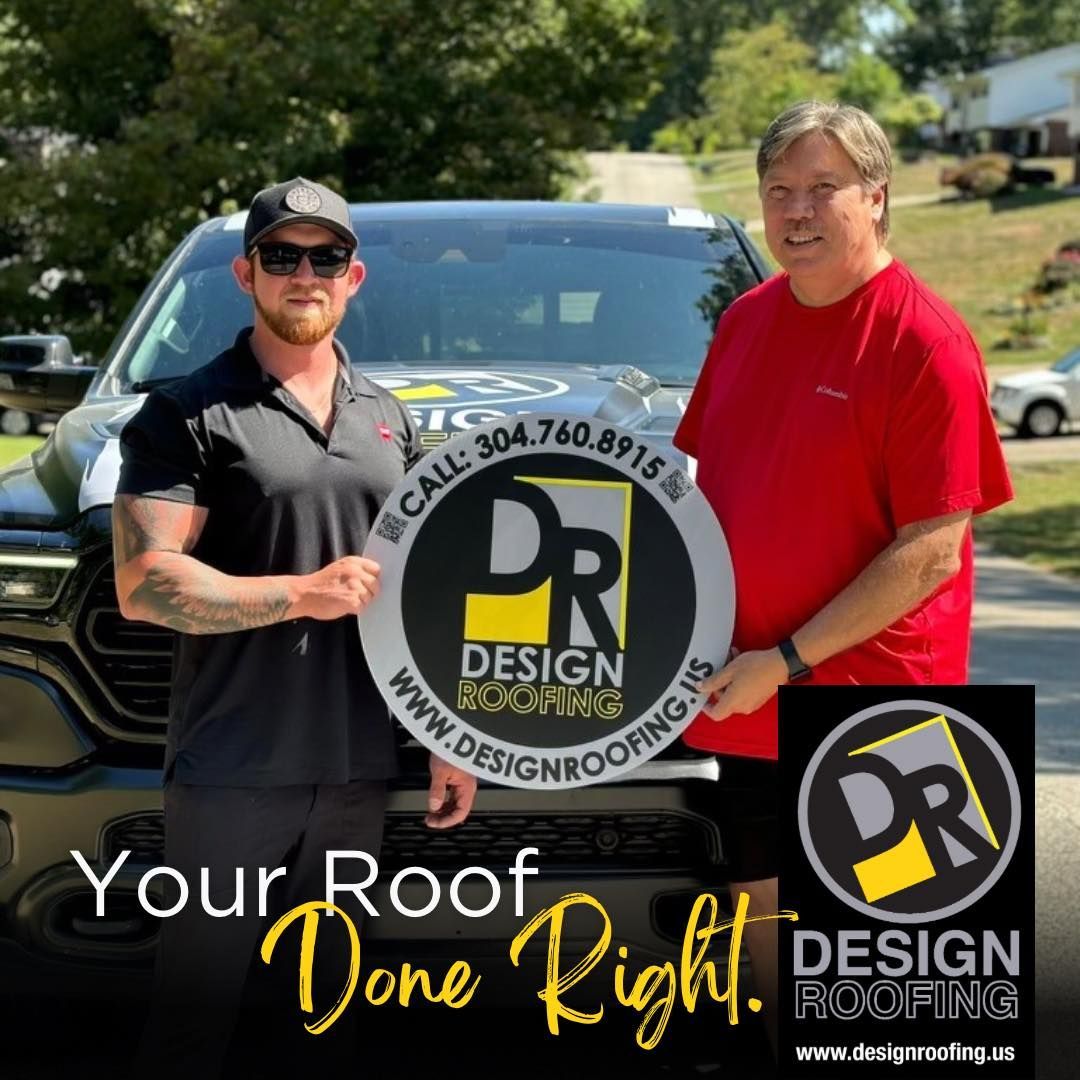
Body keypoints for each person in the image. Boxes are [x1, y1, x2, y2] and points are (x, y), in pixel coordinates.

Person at [113, 177, 477, 1075]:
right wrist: (299, 593)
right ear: (247, 273)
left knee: (326, 1019)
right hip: (234, 770)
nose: (304, 274)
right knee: (192, 1026)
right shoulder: (186, 413)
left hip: (360, 773)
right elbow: (145, 584)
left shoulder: (388, 418)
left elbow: (417, 589)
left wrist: (445, 735)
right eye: (282, 256)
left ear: (354, 279)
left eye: (325, 258)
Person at [673, 102, 1013, 1054]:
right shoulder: (743, 322)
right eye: (779, 190)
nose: (798, 210)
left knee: (878, 994)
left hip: (873, 706)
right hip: (744, 694)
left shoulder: (925, 343)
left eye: (824, 187)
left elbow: (931, 550)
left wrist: (786, 657)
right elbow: (698, 489)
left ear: (876, 195)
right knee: (763, 947)